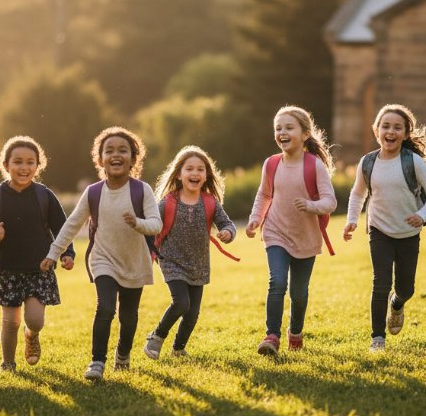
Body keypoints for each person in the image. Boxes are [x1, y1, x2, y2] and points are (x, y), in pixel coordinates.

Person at [41, 127, 161, 380]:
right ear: (100, 159)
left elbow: (156, 224)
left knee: (128, 318)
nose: (116, 155)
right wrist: (53, 253)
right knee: (105, 308)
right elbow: (72, 224)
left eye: (123, 150)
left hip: (134, 261)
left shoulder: (142, 190)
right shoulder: (93, 192)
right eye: (109, 151)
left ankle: (123, 355)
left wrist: (137, 223)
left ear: (133, 158)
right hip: (103, 259)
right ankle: (97, 362)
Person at [343, 104, 426, 351]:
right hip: (379, 229)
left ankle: (397, 303)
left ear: (406, 133)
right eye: (385, 126)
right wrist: (352, 220)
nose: (391, 131)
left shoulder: (414, 162)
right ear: (376, 131)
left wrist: (422, 215)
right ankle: (377, 338)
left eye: (397, 127)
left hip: (409, 232)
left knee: (406, 288)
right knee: (380, 282)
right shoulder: (368, 162)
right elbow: (358, 194)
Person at [0, 136, 76, 373]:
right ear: (6, 165)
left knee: (35, 320)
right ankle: (8, 364)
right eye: (18, 162)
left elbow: (62, 227)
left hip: (38, 268)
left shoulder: (43, 195)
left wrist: (67, 253)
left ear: (38, 166)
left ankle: (31, 336)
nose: (24, 167)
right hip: (8, 269)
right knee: (10, 322)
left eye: (30, 162)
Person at [246, 105, 337, 355]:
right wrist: (256, 218)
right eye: (278, 128)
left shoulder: (314, 166)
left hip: (306, 237)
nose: (282, 132)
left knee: (299, 293)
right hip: (276, 231)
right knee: (276, 283)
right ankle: (271, 336)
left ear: (305, 134)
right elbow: (264, 194)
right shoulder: (271, 164)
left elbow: (331, 202)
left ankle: (295, 332)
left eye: (288, 128)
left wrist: (310, 205)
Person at [143, 146, 237, 360]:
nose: (195, 173)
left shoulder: (210, 202)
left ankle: (178, 349)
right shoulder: (168, 202)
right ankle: (156, 337)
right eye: (189, 169)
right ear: (179, 174)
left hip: (199, 263)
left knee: (192, 314)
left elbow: (228, 224)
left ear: (206, 175)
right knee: (181, 303)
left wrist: (226, 233)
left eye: (200, 169)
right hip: (171, 261)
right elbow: (152, 225)